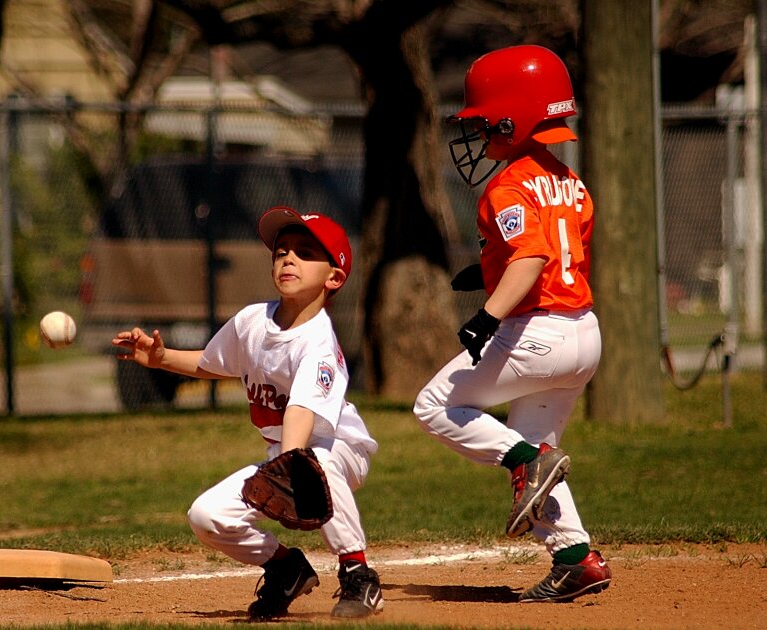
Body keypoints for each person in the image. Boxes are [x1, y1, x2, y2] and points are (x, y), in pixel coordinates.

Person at [112, 206, 384, 620]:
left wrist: (289, 463)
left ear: (334, 278)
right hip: (286, 454)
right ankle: (286, 569)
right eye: (281, 251)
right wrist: (162, 357)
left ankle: (359, 574)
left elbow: (301, 413)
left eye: (305, 252)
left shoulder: (319, 344)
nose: (288, 258)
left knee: (317, 460)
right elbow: (211, 362)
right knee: (207, 516)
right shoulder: (252, 321)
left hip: (339, 448)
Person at [413, 44, 612, 603]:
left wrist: (486, 315)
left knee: (434, 405)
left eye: (483, 124)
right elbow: (553, 250)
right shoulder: (569, 180)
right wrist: (488, 269)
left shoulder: (507, 185)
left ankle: (529, 462)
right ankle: (576, 558)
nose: (478, 136)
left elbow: (531, 258)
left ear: (513, 119)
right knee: (534, 442)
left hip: (537, 334)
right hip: (583, 332)